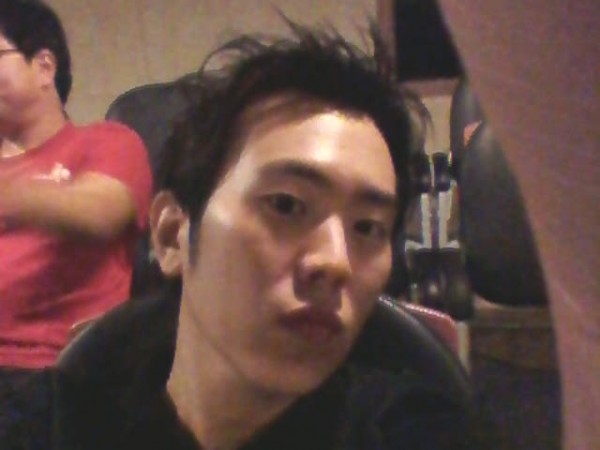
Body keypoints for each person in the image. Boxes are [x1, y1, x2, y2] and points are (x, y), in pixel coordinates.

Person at [4, 21, 475, 449]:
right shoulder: (50, 422)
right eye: (286, 205)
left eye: (368, 227)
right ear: (171, 234)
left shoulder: (415, 431)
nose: (336, 261)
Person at [0, 0, 152, 374]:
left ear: (44, 67)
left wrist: (12, 195)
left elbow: (100, 212)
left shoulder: (106, 141)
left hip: (45, 371)